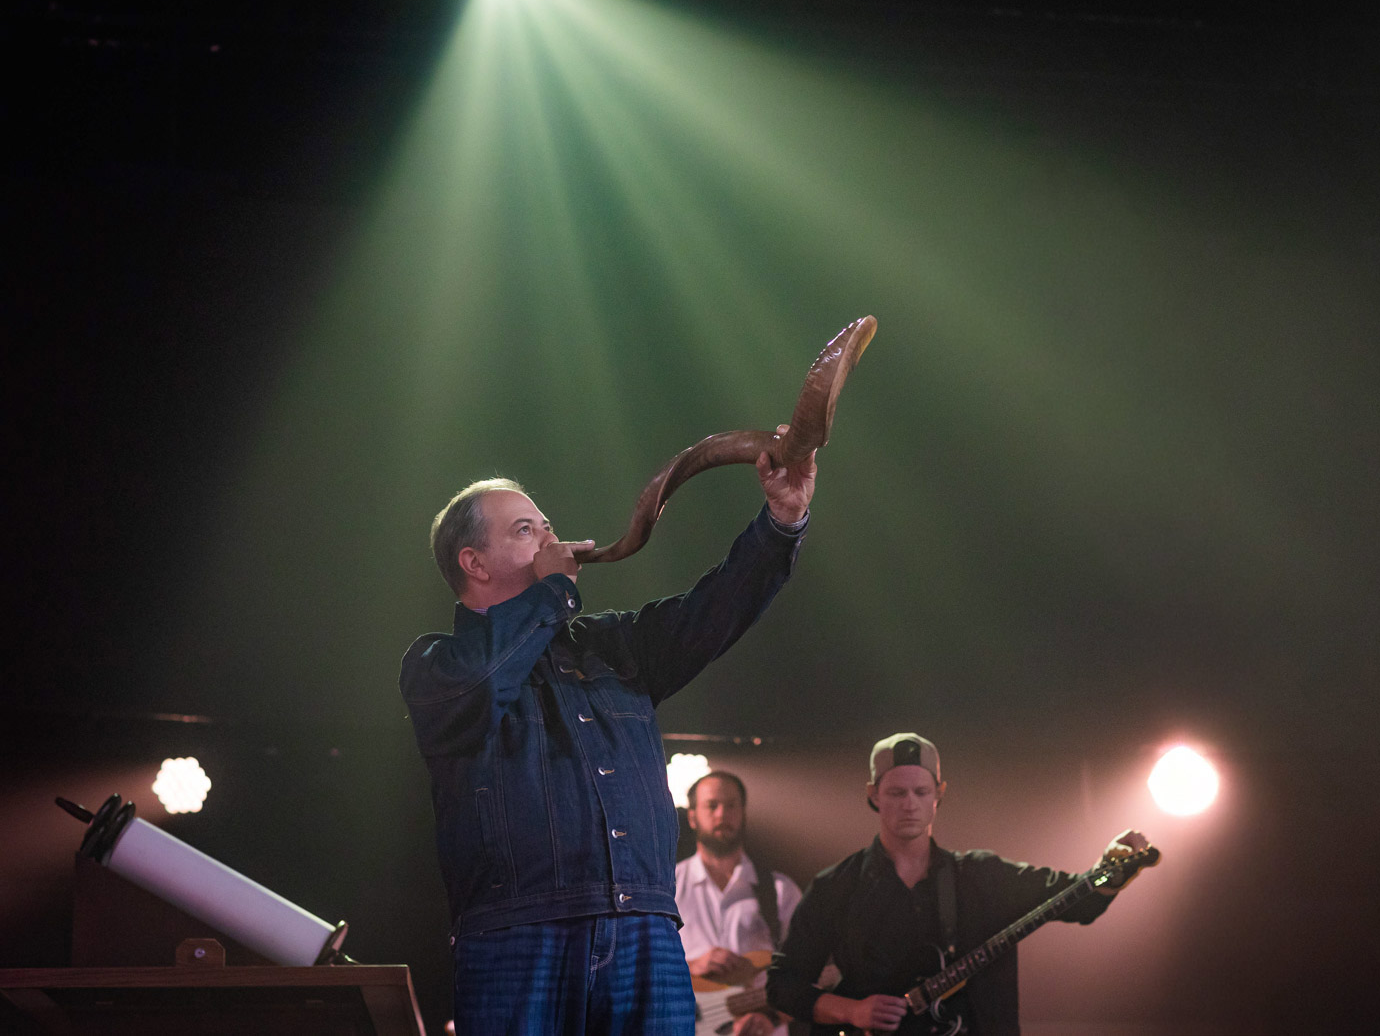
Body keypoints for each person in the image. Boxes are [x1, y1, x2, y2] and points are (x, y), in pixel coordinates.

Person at [400, 430, 816, 1036]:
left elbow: (712, 612)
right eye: (525, 530)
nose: (549, 538)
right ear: (475, 563)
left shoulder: (611, 645)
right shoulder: (437, 664)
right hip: (519, 934)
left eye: (547, 526)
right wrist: (553, 593)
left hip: (645, 925)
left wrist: (782, 520)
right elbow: (484, 685)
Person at [766, 733, 1150, 1036]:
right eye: (896, 793)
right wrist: (851, 1010)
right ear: (873, 795)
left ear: (939, 794)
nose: (910, 804)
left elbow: (1079, 901)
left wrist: (1109, 871)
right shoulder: (836, 886)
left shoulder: (983, 875)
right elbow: (782, 984)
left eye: (921, 792)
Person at [676, 770, 803, 1036]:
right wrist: (691, 966)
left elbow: (807, 976)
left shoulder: (781, 891)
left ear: (743, 813)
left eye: (731, 805)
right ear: (692, 817)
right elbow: (641, 969)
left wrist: (771, 1018)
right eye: (712, 805)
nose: (722, 814)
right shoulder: (668, 887)